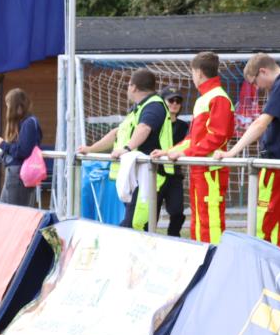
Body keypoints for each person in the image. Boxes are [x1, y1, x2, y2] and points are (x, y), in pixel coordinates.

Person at [219, 53, 280, 250]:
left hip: (277, 165)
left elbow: (260, 123)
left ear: (262, 71)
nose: (257, 88)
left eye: (255, 82)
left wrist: (231, 152)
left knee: (264, 220)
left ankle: (258, 259)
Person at [152, 51, 235, 244]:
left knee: (210, 221)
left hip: (211, 170)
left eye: (192, 73)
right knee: (199, 218)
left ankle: (213, 258)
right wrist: (169, 151)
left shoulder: (217, 98)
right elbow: (193, 138)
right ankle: (203, 255)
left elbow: (217, 137)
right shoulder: (205, 98)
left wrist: (185, 153)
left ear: (198, 72)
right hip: (201, 168)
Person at [78, 68, 172, 231]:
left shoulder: (153, 105)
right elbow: (117, 132)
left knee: (135, 225)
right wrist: (90, 149)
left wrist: (127, 148)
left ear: (133, 87)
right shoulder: (138, 108)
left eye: (128, 85)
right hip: (136, 177)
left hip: (149, 177)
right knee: (131, 224)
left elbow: (144, 128)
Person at [0, 88, 41, 206]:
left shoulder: (28, 123)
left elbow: (23, 151)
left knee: (12, 210)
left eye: (8, 106)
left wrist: (3, 144)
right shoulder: (25, 122)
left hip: (19, 174)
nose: (7, 109)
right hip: (15, 173)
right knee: (5, 209)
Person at [151, 87, 187, 237]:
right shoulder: (155, 124)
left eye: (178, 101)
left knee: (177, 211)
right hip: (155, 174)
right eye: (171, 100)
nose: (175, 104)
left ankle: (174, 237)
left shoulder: (184, 127)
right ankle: (149, 238)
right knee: (151, 212)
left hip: (174, 176)